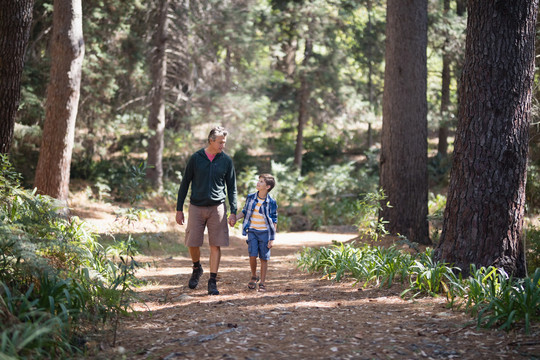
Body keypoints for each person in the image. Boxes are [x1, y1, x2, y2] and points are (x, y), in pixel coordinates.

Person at [175, 126, 237, 295]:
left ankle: (212, 280)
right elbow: (185, 183)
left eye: (224, 142)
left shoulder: (226, 161)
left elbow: (232, 187)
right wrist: (179, 209)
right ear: (211, 140)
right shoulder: (196, 158)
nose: (223, 145)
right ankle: (197, 267)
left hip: (217, 207)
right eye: (220, 142)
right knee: (192, 242)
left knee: (215, 244)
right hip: (196, 206)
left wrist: (233, 210)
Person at [236, 174, 277, 292]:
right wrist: (235, 218)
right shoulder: (250, 197)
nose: (258, 183)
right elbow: (244, 211)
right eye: (259, 181)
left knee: (264, 258)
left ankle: (262, 282)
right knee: (252, 255)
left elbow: (274, 220)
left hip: (265, 233)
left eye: (262, 182)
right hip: (252, 231)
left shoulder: (271, 202)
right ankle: (254, 275)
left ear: (268, 186)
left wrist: (272, 238)